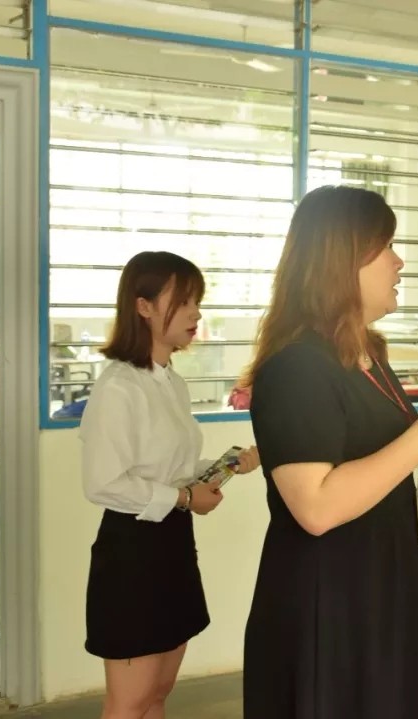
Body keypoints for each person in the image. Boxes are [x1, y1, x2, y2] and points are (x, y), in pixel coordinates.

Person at [241, 185, 418, 718]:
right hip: (329, 612)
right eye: (385, 246)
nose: (399, 261)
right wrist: (417, 442)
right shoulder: (298, 366)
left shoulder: (364, 353)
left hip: (378, 592)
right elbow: (315, 506)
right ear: (341, 259)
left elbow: (375, 451)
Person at [80, 250, 260, 719]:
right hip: (131, 554)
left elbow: (169, 467)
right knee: (129, 702)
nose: (196, 314)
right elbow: (103, 483)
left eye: (197, 301)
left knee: (157, 694)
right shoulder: (118, 387)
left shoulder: (170, 382)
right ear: (142, 306)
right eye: (183, 302)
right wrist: (184, 497)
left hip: (174, 545)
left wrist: (228, 465)